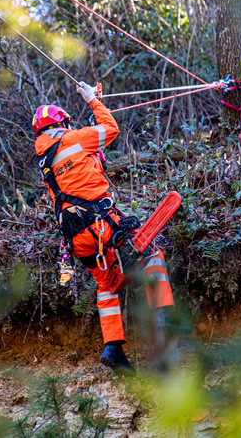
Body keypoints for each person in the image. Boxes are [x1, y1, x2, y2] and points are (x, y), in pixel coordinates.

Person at [32, 81, 175, 372]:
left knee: (106, 284)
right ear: (62, 123)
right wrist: (92, 100)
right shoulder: (75, 139)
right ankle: (164, 327)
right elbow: (111, 128)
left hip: (77, 238)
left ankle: (113, 348)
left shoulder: (44, 160)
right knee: (151, 255)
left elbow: (78, 179)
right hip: (101, 224)